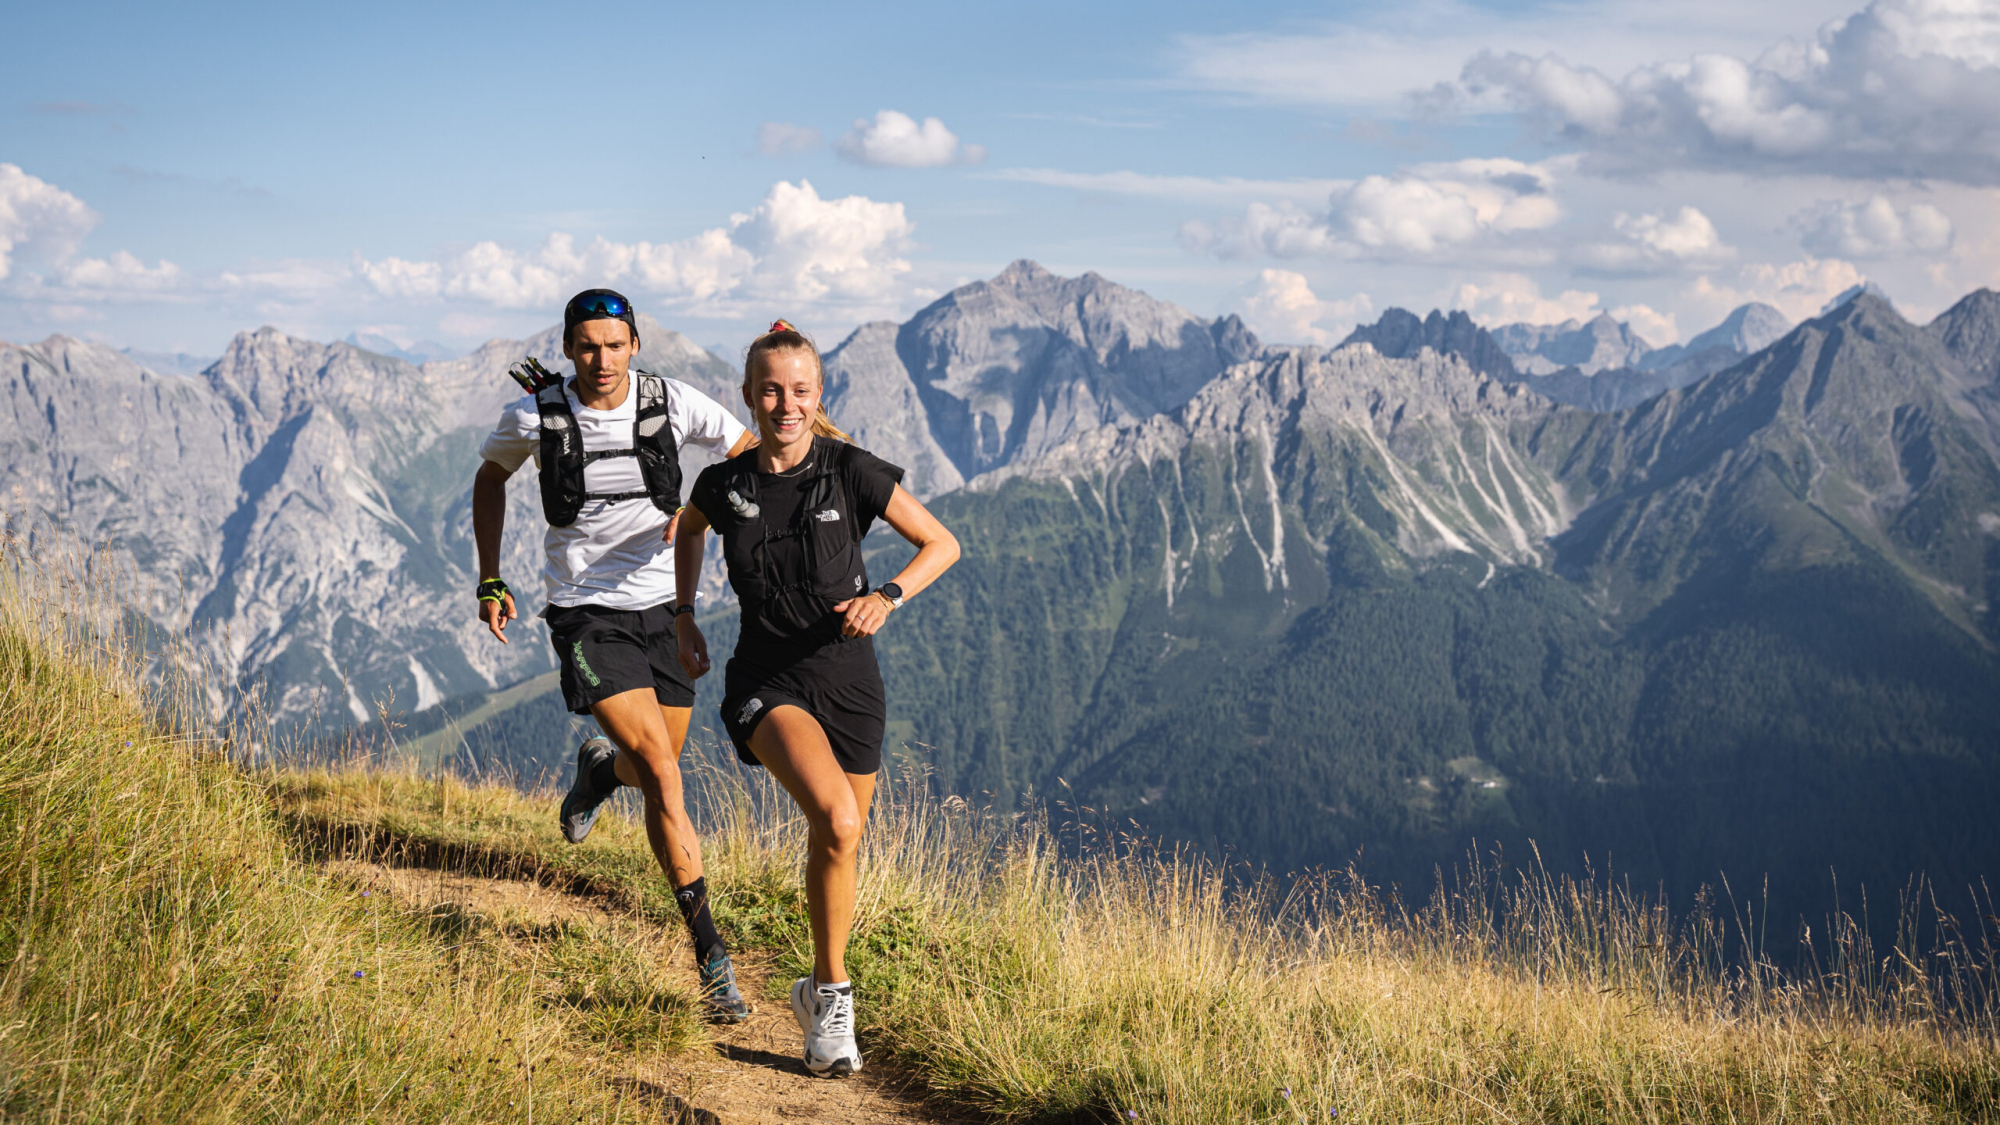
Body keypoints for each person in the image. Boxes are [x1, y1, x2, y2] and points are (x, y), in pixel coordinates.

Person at [674, 319, 959, 1078]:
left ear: (818, 394)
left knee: (841, 838)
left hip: (852, 684)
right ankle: (835, 1000)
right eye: (770, 389)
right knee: (833, 815)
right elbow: (689, 529)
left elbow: (943, 543)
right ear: (748, 396)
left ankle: (810, 986)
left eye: (800, 389)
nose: (785, 403)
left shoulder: (849, 469)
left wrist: (889, 595)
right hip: (766, 682)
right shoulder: (723, 483)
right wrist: (681, 616)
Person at [471, 288, 758, 1021]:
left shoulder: (673, 401)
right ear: (568, 349)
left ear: (635, 345)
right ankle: (711, 957)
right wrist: (491, 576)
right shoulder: (536, 412)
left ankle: (601, 769)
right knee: (664, 774)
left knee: (653, 763)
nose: (602, 358)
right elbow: (489, 480)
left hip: (667, 610)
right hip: (585, 611)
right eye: (587, 345)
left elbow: (748, 455)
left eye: (614, 343)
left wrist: (698, 512)